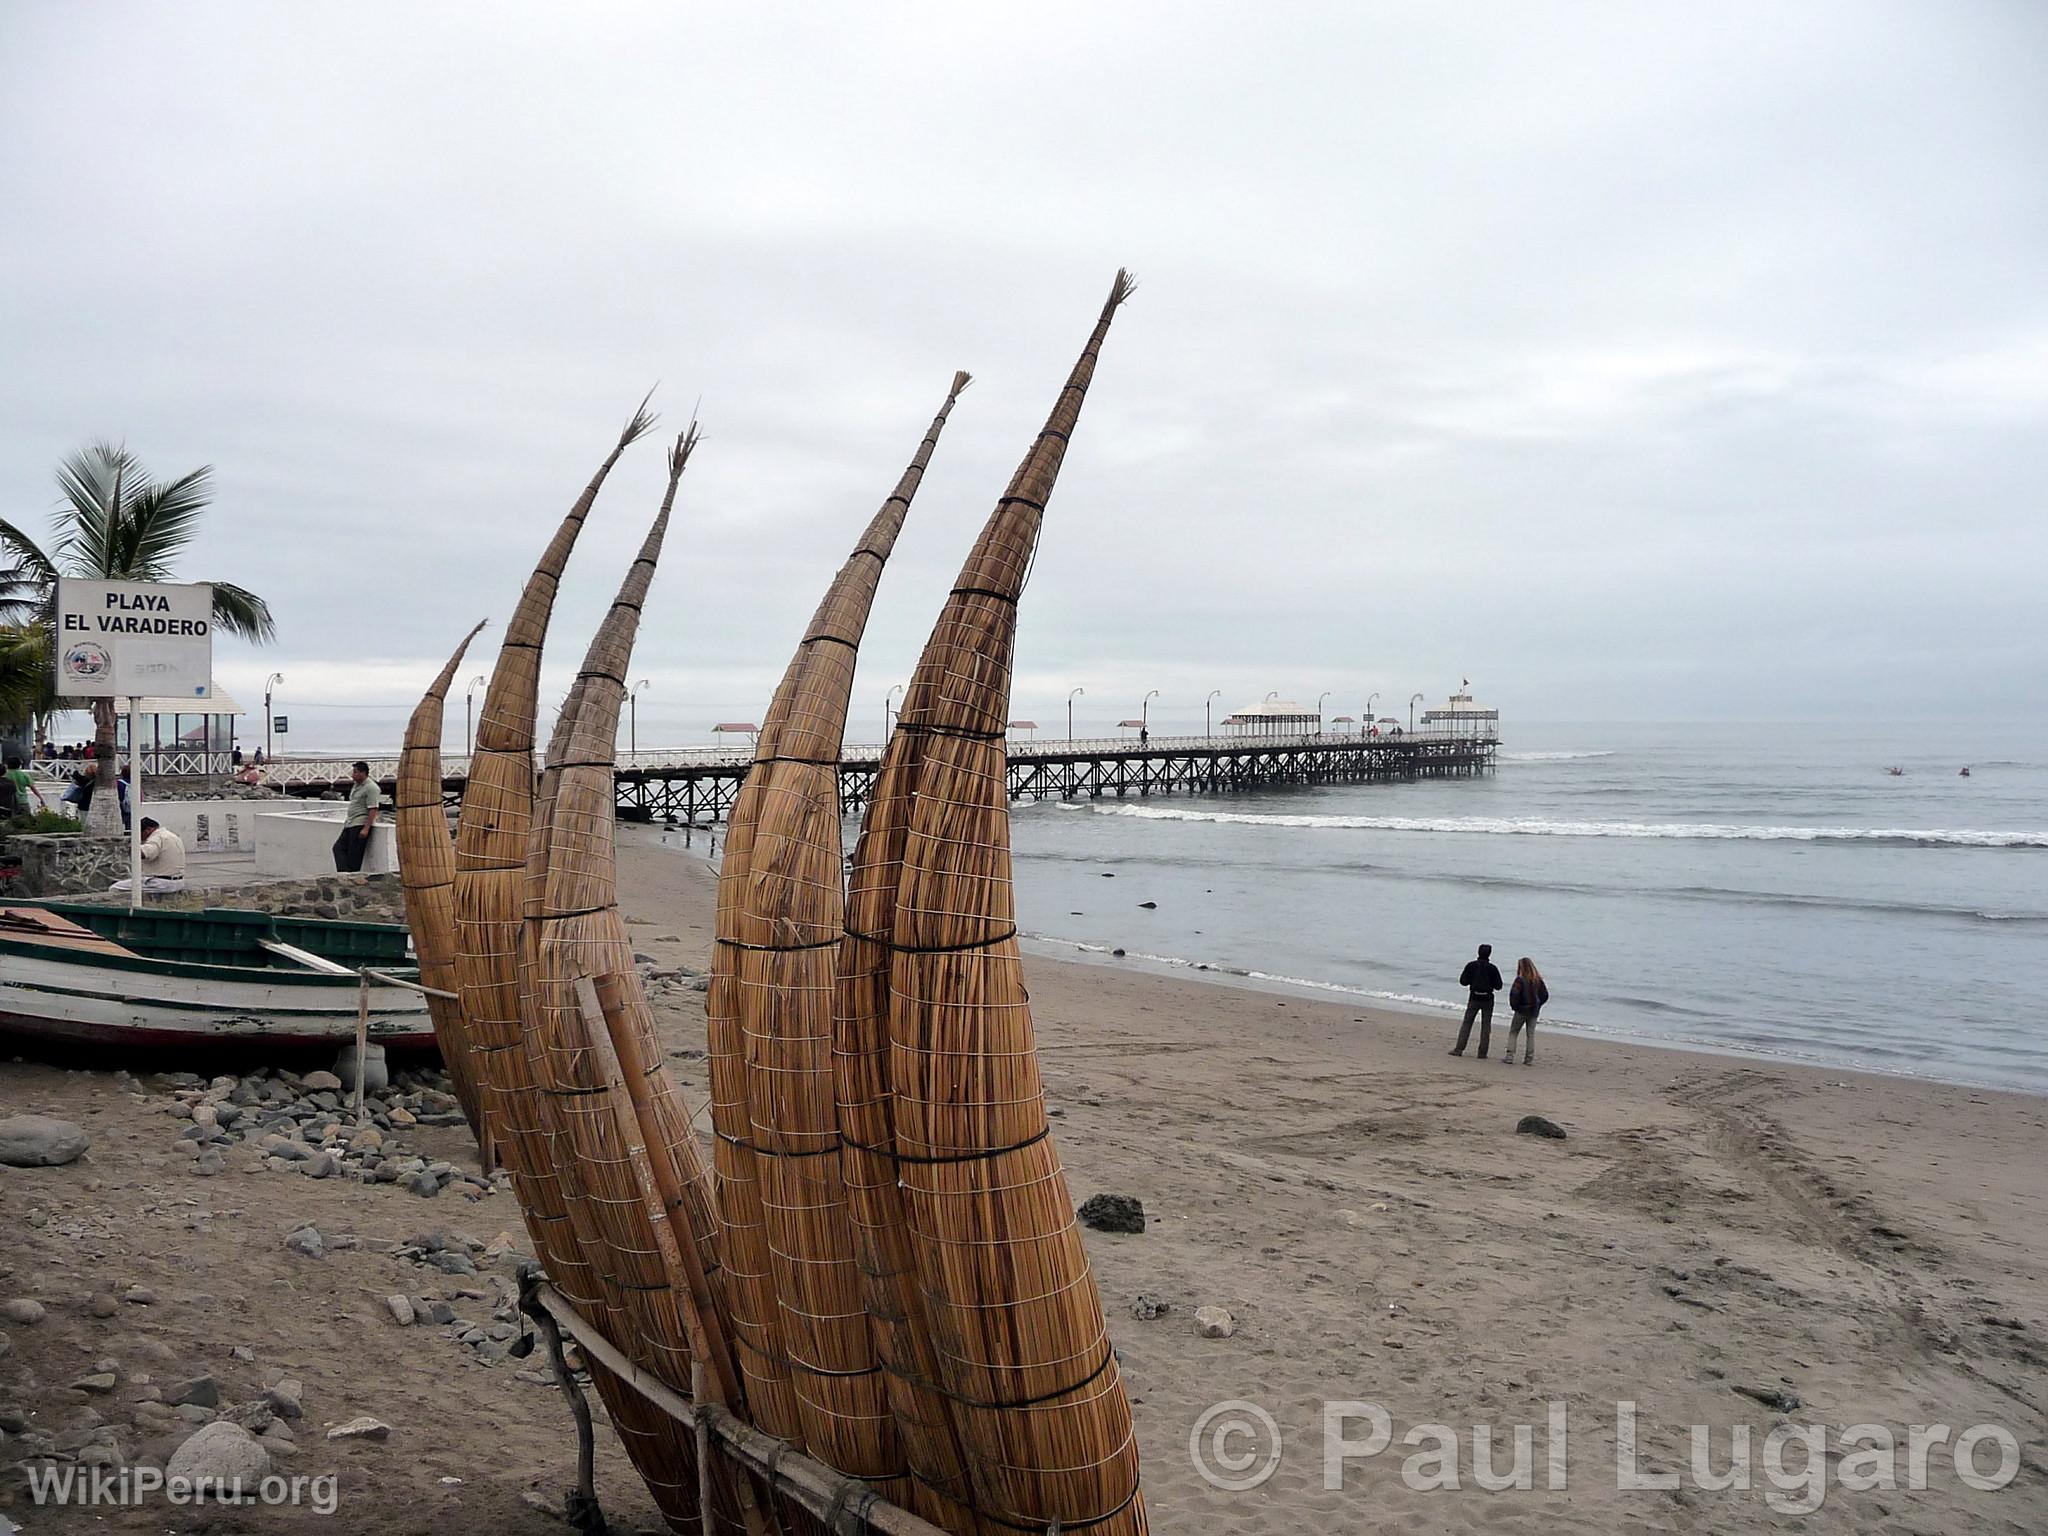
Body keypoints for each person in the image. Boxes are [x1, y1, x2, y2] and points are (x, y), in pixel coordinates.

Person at [1450, 942, 1504, 1058]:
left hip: (1474, 997)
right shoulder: (1492, 968)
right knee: (1486, 1025)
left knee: (1467, 1023)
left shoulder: (1471, 965)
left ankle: (1459, 1049)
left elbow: (1463, 981)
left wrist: (1472, 980)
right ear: (1490, 954)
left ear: (1478, 952)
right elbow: (1499, 986)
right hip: (1488, 998)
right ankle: (1482, 1053)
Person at [110, 817, 187, 894]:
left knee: (115, 888)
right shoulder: (172, 836)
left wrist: (131, 846)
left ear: (148, 830)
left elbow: (144, 853)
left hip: (161, 883)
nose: (140, 837)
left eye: (140, 833)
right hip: (178, 881)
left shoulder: (156, 838)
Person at [334, 760, 380, 871]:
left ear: (363, 773)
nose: (352, 775)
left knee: (354, 854)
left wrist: (366, 828)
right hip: (350, 822)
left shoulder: (371, 788)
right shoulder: (356, 785)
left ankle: (352, 875)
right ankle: (344, 873)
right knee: (338, 848)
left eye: (355, 772)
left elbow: (373, 809)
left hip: (359, 823)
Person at [1504, 957, 1549, 1065]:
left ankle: (1510, 1056)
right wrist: (1538, 1004)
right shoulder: (1538, 980)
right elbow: (1545, 995)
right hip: (1533, 1011)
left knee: (1514, 1032)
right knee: (1530, 1034)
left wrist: (1515, 1006)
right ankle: (1529, 1058)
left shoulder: (1520, 980)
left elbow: (1514, 995)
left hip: (1521, 1010)